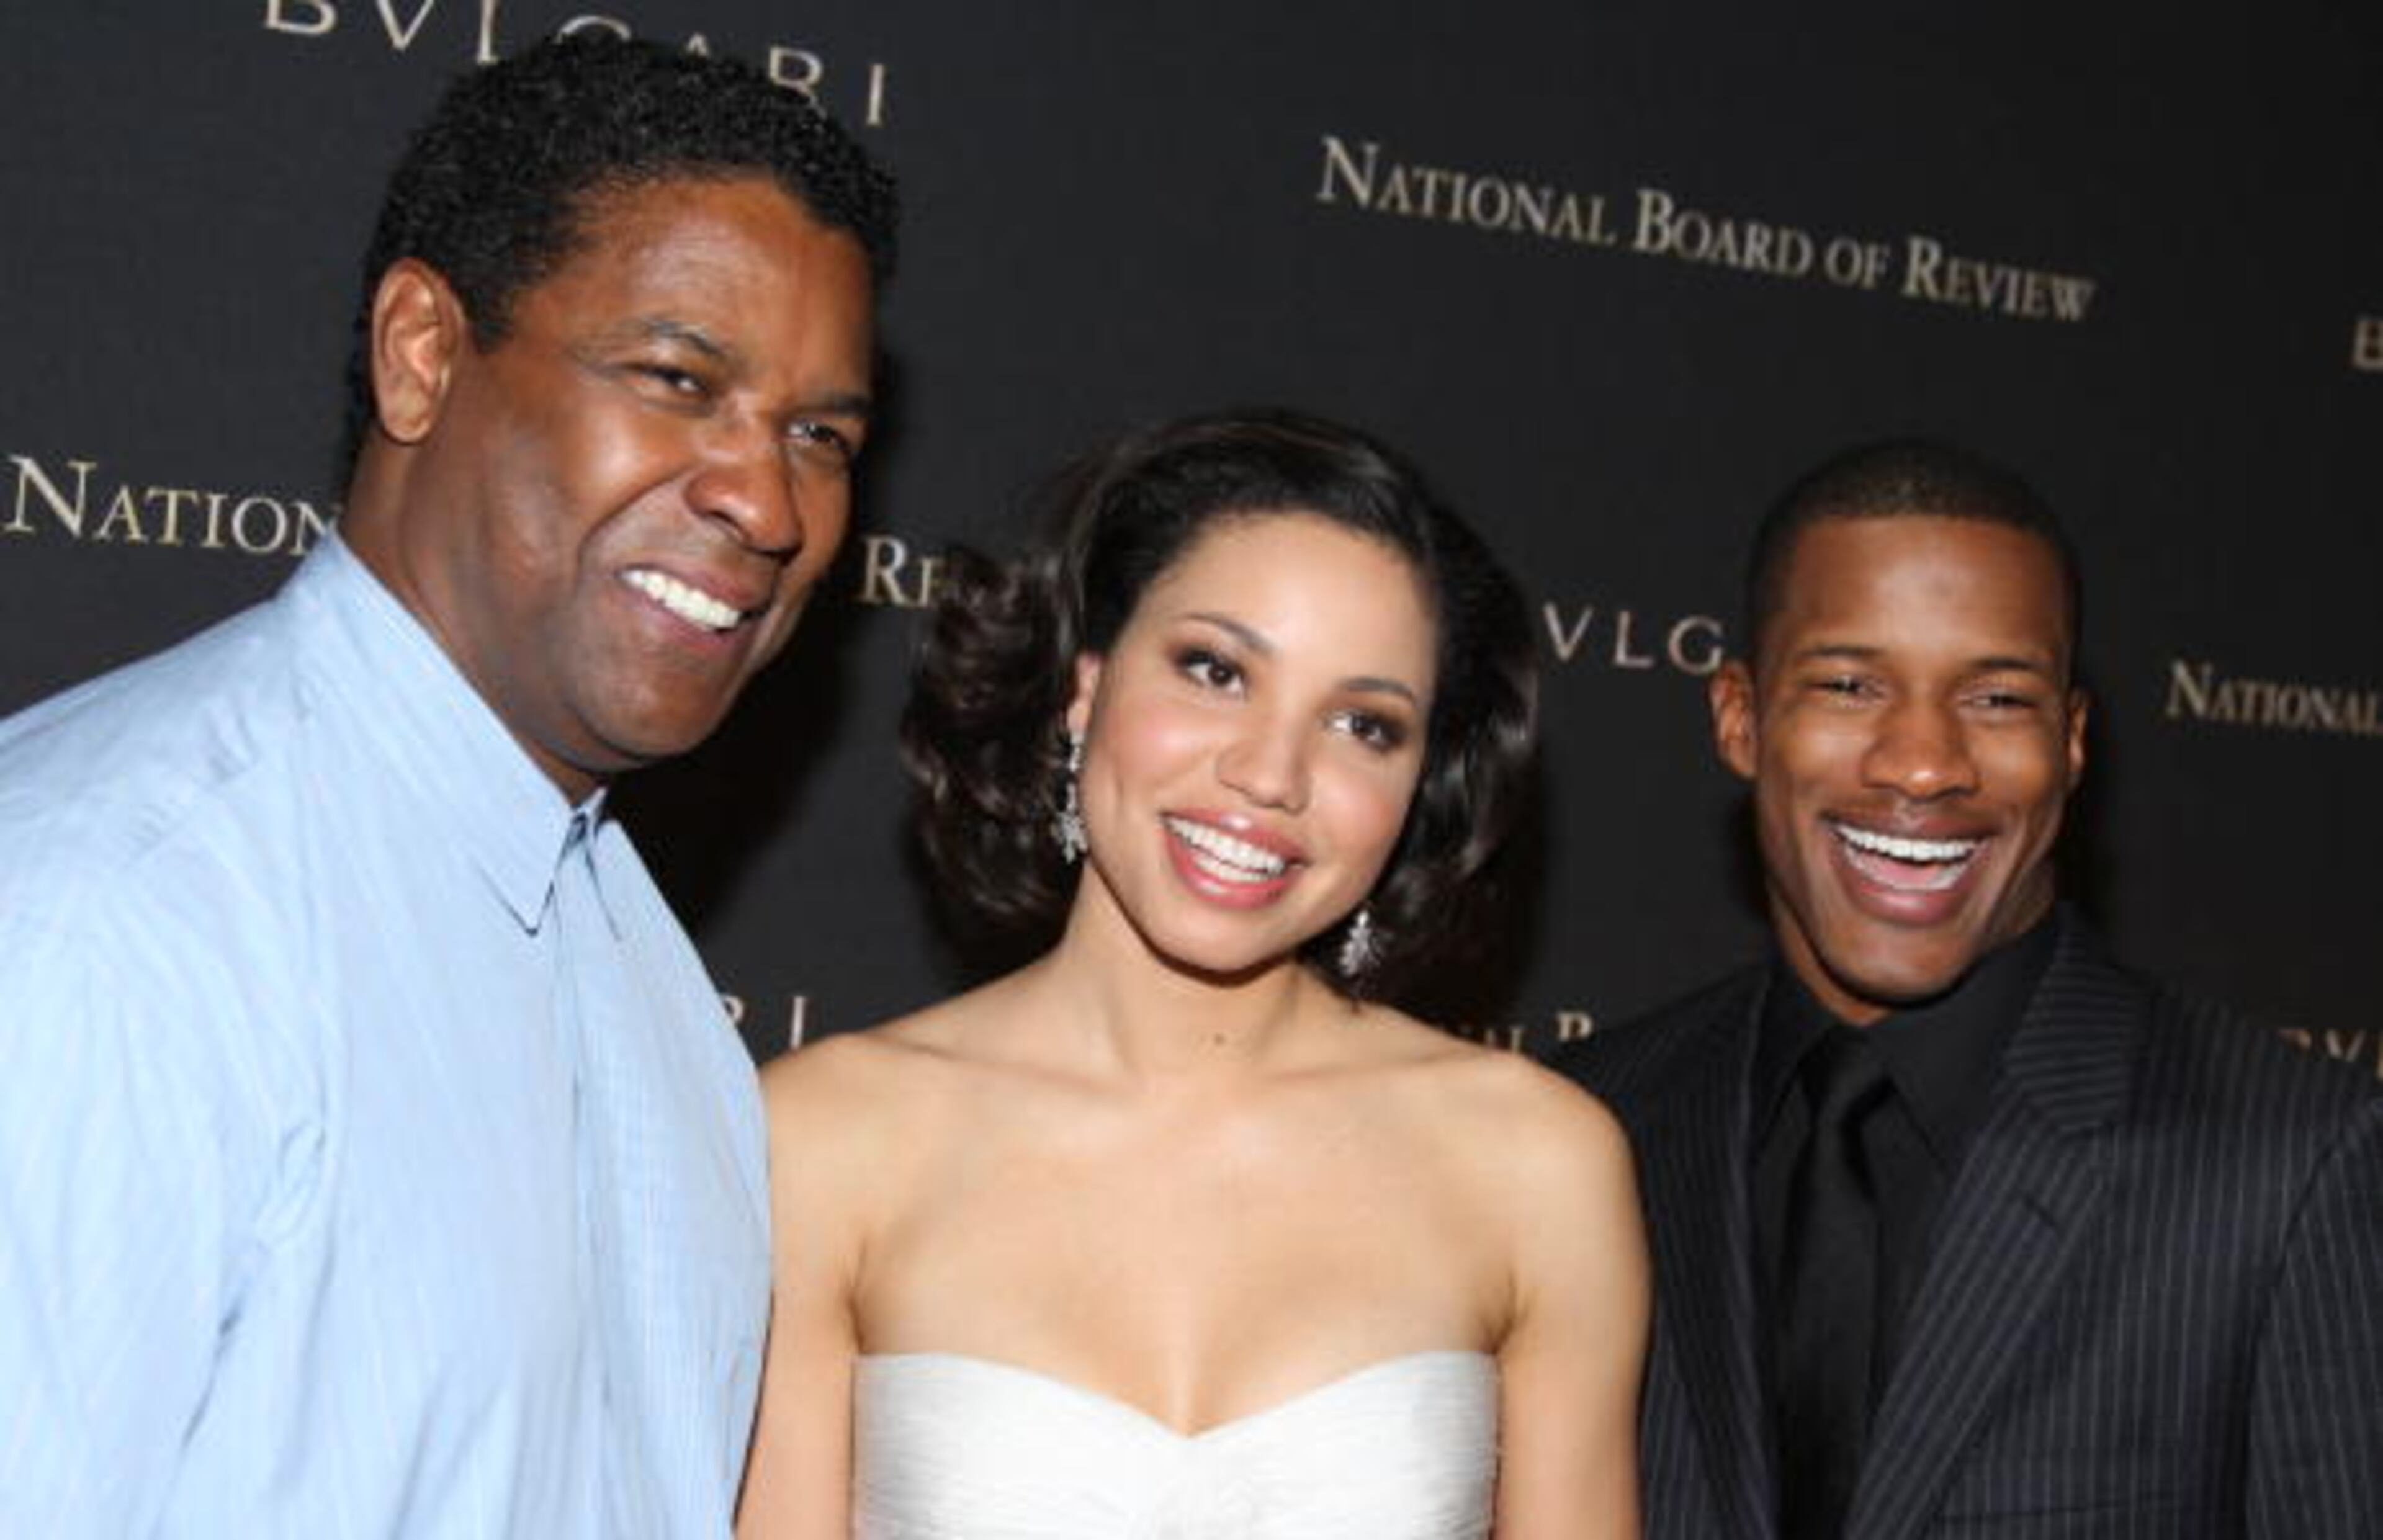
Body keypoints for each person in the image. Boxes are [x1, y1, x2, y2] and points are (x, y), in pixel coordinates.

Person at [0, 36, 895, 1536]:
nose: (769, 499)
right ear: (423, 351)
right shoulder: (108, 917)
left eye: (821, 434)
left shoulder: (644, 970)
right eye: (679, 379)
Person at [737, 409, 1648, 1539]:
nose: (1271, 773)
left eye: (1365, 725)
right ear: (1085, 686)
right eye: (1216, 670)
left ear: (1419, 787)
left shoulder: (1537, 1167)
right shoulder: (825, 1140)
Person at [1551, 440, 2383, 1539]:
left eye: (1996, 697)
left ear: (2074, 742)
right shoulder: (1583, 1128)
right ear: (1740, 718)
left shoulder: (2289, 1161)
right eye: (1851, 684)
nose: (1924, 762)